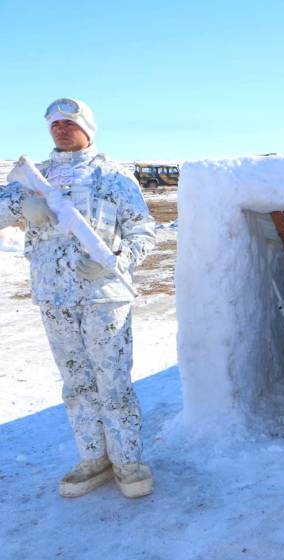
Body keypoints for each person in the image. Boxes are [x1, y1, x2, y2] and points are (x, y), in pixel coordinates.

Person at [0, 98, 156, 498]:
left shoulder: (114, 177)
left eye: (68, 122)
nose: (60, 129)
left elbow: (143, 231)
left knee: (113, 383)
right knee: (76, 383)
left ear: (87, 127)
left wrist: (118, 261)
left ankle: (127, 461)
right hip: (54, 298)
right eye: (54, 124)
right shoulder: (33, 178)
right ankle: (93, 457)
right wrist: (22, 204)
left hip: (105, 297)